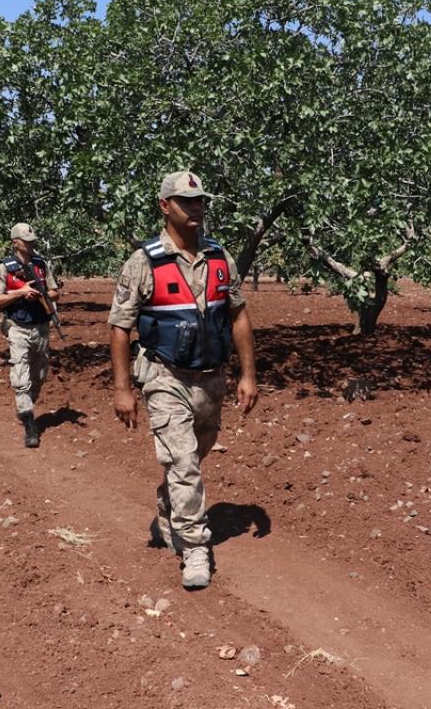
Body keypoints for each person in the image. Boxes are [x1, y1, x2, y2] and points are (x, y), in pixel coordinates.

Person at [108, 171, 258, 589]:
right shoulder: (144, 262)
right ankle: (194, 547)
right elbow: (120, 327)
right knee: (184, 462)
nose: (196, 208)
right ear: (164, 206)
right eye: (185, 201)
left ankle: (169, 505)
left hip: (211, 378)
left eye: (200, 201)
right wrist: (122, 389)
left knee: (195, 453)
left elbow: (238, 316)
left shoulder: (219, 258)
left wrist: (248, 374)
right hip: (164, 376)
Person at [0, 222, 60, 448]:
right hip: (17, 326)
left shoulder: (41, 265)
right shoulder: (4, 268)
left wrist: (41, 293)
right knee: (20, 375)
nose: (31, 245)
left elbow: (55, 292)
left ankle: (26, 404)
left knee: (39, 374)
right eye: (26, 241)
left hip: (41, 326)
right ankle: (30, 422)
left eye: (33, 241)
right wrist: (20, 292)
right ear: (15, 243)